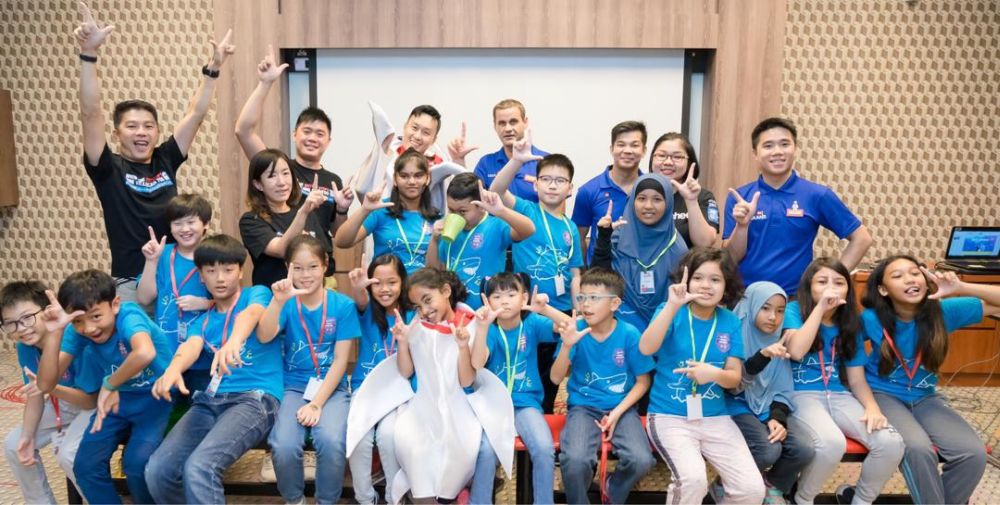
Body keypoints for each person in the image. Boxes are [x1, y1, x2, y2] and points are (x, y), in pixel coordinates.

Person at [74, 2, 233, 301]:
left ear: (157, 131)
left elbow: (195, 114)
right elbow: (90, 113)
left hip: (177, 274)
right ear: (116, 133)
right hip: (131, 281)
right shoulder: (107, 168)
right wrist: (89, 55)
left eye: (148, 126)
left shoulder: (165, 158)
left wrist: (213, 69)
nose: (141, 132)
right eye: (132, 126)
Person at [346, 267, 514, 503]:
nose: (424, 310)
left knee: (457, 455)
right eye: (418, 306)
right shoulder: (417, 326)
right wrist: (402, 341)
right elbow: (406, 371)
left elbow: (468, 378)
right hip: (421, 412)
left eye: (428, 300)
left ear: (445, 291)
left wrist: (467, 343)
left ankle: (454, 494)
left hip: (459, 414)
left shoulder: (470, 323)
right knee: (412, 450)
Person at [144, 234, 281, 504]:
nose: (220, 278)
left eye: (228, 270)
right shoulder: (203, 321)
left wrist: (234, 341)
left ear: (240, 272)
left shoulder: (256, 294)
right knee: (157, 471)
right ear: (201, 276)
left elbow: (251, 314)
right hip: (210, 400)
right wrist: (173, 369)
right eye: (211, 271)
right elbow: (190, 347)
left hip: (255, 398)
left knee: (200, 467)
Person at [861, 255, 1000, 504]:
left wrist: (960, 287)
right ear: (883, 289)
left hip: (925, 397)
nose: (909, 279)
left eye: (915, 273)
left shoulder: (944, 312)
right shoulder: (871, 318)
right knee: (918, 449)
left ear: (926, 281)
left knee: (973, 454)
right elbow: (842, 354)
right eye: (898, 276)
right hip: (882, 394)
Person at [34, 270, 173, 505]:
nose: (88, 328)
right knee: (85, 465)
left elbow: (145, 353)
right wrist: (55, 333)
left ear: (115, 304)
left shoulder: (129, 315)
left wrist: (109, 383)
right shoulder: (76, 332)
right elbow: (46, 383)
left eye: (96, 316)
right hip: (118, 399)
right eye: (78, 321)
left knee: (137, 464)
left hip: (158, 395)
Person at [639, 248, 765, 505]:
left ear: (726, 285)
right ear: (686, 281)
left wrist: (713, 374)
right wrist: (672, 305)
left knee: (752, 489)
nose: (706, 285)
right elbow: (646, 348)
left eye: (715, 279)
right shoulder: (670, 310)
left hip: (715, 417)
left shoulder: (730, 321)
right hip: (669, 415)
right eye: (698, 278)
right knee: (692, 481)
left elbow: (734, 378)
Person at [783, 258, 904, 505]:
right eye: (822, 282)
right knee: (831, 443)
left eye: (839, 282)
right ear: (808, 286)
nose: (831, 288)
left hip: (839, 395)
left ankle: (860, 500)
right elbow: (796, 350)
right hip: (800, 394)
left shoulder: (850, 322)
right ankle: (802, 499)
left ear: (848, 289)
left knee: (891, 443)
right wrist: (820, 309)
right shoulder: (794, 310)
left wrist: (872, 407)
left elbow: (856, 379)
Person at [256, 235, 360, 505]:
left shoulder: (343, 305)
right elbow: (264, 336)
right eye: (298, 268)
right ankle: (295, 500)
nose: (306, 275)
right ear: (288, 268)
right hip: (292, 386)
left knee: (332, 441)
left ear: (325, 265)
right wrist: (277, 301)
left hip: (332, 387)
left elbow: (340, 361)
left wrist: (316, 403)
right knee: (283, 444)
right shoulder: (285, 302)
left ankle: (327, 501)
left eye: (313, 266)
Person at [722, 117, 872, 296]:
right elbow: (730, 259)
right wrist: (742, 225)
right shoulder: (740, 198)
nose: (777, 152)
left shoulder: (817, 195)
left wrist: (832, 281)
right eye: (768, 146)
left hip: (795, 299)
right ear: (755, 153)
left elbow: (862, 238)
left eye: (784, 144)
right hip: (744, 296)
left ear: (795, 148)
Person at [490, 132, 583, 413]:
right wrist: (517, 161)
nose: (553, 185)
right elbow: (497, 190)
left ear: (570, 188)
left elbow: (575, 273)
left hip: (560, 310)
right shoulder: (526, 209)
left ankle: (544, 419)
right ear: (536, 183)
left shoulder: (570, 227)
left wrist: (578, 310)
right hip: (528, 310)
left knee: (552, 376)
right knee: (527, 369)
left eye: (560, 181)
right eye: (547, 179)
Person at [235, 45, 355, 261]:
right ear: (294, 134)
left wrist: (342, 210)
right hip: (285, 266)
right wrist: (265, 83)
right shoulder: (280, 168)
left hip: (321, 268)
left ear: (328, 141)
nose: (312, 138)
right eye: (306, 131)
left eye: (320, 134)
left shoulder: (333, 181)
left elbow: (337, 234)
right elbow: (243, 130)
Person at [551, 268, 656, 505]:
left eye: (594, 298)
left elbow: (643, 381)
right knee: (575, 461)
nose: (586, 304)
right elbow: (556, 379)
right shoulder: (575, 330)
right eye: (582, 297)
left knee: (641, 460)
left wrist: (617, 413)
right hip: (583, 408)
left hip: (622, 408)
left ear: (615, 303)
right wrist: (566, 346)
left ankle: (612, 490)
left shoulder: (629, 334)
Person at [469, 273, 572, 504]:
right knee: (485, 451)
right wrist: (482, 328)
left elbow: (569, 326)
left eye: (511, 295)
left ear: (524, 297)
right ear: (487, 301)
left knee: (544, 448)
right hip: (492, 406)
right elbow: (476, 363)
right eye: (497, 296)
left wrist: (545, 309)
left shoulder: (532, 323)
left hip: (526, 404)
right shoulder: (489, 329)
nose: (504, 301)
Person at [1, 282, 100, 504]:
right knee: (15, 444)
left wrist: (49, 386)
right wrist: (27, 437)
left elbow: (90, 401)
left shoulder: (74, 339)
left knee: (69, 455)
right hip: (62, 405)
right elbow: (35, 396)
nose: (21, 328)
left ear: (46, 311)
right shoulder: (25, 347)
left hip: (95, 406)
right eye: (11, 323)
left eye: (27, 318)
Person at [727, 281, 814, 503]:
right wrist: (762, 356)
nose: (773, 317)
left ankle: (771, 486)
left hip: (766, 407)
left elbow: (782, 387)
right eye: (765, 308)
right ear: (751, 306)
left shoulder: (779, 339)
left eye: (780, 310)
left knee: (803, 449)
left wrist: (777, 417)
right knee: (768, 450)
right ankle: (727, 485)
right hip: (735, 405)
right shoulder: (733, 334)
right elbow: (732, 386)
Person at [345, 254, 412, 505]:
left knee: (388, 435)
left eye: (392, 282)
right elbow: (361, 299)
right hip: (366, 388)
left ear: (403, 282)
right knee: (358, 437)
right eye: (377, 283)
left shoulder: (412, 314)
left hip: (399, 391)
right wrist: (359, 287)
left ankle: (395, 498)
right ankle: (365, 499)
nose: (385, 289)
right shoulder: (366, 311)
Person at [136, 193, 214, 391]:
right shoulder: (162, 254)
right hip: (166, 351)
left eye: (191, 222)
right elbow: (144, 298)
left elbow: (233, 302)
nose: (185, 229)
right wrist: (151, 261)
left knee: (200, 404)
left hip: (204, 353)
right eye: (178, 223)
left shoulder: (215, 254)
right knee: (165, 402)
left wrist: (204, 303)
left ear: (206, 224)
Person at [590, 173, 688, 330]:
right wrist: (603, 237)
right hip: (619, 328)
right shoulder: (617, 238)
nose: (648, 206)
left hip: (665, 328)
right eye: (641, 198)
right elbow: (597, 281)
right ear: (632, 202)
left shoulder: (677, 248)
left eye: (657, 199)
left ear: (668, 203)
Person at [426, 173, 535, 309]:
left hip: (486, 310)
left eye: (462, 211)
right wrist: (434, 240)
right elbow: (433, 270)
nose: (456, 216)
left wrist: (501, 211)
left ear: (481, 206)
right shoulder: (447, 227)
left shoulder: (495, 226)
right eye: (451, 210)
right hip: (453, 309)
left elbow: (529, 230)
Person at [335, 149, 440, 274]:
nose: (411, 182)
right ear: (395, 179)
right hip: (384, 285)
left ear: (427, 178)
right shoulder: (380, 210)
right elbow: (341, 242)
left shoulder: (437, 218)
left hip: (423, 285)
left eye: (418, 176)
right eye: (404, 176)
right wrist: (364, 209)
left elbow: (442, 266)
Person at [239, 149, 330, 286]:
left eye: (286, 173)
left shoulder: (307, 213)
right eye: (271, 176)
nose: (281, 182)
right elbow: (281, 249)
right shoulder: (251, 220)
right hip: (274, 294)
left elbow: (324, 255)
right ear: (258, 184)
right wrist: (303, 212)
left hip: (310, 292)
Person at [572, 121, 648, 263]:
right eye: (621, 144)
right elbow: (579, 238)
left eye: (634, 145)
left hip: (641, 270)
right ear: (612, 149)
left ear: (644, 150)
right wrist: (583, 273)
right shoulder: (588, 191)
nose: (627, 150)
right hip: (601, 272)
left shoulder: (651, 189)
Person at [470, 99, 550, 202]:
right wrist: (459, 161)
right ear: (495, 126)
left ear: (525, 122)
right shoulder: (486, 163)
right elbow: (471, 201)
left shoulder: (547, 161)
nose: (507, 129)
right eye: (502, 123)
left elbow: (558, 208)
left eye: (513, 122)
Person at [648, 132, 719, 247]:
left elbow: (705, 243)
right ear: (652, 159)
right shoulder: (640, 194)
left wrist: (691, 201)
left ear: (689, 162)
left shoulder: (702, 196)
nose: (668, 162)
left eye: (677, 157)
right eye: (661, 155)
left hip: (688, 259)